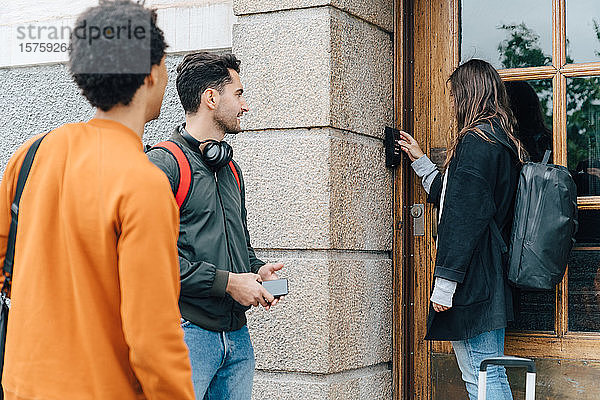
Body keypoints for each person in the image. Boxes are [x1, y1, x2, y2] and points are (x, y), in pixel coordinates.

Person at [0, 1, 194, 399]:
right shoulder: (144, 183)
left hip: (21, 385)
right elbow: (153, 339)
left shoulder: (32, 153)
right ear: (150, 73)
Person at [147, 52, 284, 400]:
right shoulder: (163, 166)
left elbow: (240, 242)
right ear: (211, 98)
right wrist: (229, 283)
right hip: (186, 335)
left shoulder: (231, 169)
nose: (245, 105)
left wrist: (255, 270)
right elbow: (151, 263)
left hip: (237, 339)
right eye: (238, 94)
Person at [399, 59, 525, 400]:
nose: (452, 104)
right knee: (490, 372)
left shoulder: (476, 141)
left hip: (473, 279)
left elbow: (462, 218)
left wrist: (444, 284)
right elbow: (458, 198)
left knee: (480, 377)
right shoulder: (500, 140)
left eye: (454, 95)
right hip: (490, 274)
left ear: (468, 95)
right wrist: (421, 161)